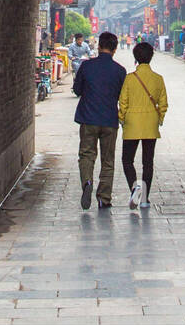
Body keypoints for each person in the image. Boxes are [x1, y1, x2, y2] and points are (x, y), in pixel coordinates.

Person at [72, 30, 126, 211]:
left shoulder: (87, 66)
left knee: (87, 155)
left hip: (88, 118)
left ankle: (87, 181)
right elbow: (122, 97)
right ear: (115, 49)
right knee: (108, 160)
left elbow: (77, 90)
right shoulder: (120, 71)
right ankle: (104, 197)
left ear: (99, 46)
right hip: (109, 120)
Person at [118, 40, 168, 209]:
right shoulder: (158, 79)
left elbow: (123, 102)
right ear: (151, 57)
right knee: (148, 162)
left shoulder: (130, 79)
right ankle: (145, 199)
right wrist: (159, 119)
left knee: (127, 160)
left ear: (136, 58)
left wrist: (122, 118)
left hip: (132, 123)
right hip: (150, 123)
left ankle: (134, 188)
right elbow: (163, 103)